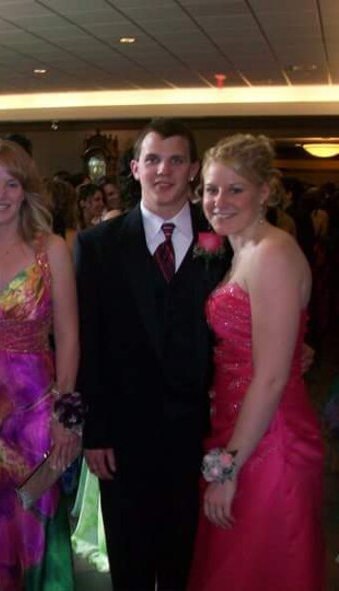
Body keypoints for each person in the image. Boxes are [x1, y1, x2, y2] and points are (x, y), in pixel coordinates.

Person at [75, 118, 226, 590]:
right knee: (130, 564)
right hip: (123, 435)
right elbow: (88, 343)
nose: (164, 170)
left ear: (194, 169)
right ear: (135, 168)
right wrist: (95, 431)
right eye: (153, 159)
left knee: (186, 562)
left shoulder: (223, 240)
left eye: (176, 160)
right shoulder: (96, 246)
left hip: (198, 434)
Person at [188, 134, 324, 591]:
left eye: (235, 189)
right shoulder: (242, 248)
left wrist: (227, 468)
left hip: (270, 438)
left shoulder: (272, 253)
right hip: (239, 427)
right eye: (211, 189)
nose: (218, 201)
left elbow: (270, 378)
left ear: (264, 191)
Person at [0, 138, 79, 590]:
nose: (0, 194)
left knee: (32, 526)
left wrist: (67, 417)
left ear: (26, 189)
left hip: (36, 416)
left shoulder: (52, 249)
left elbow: (70, 338)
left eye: (11, 183)